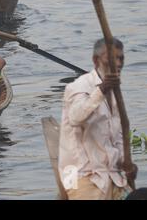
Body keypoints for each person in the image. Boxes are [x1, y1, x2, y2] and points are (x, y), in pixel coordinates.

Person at [58, 38, 138, 200]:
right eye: (112, 58)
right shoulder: (79, 86)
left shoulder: (115, 94)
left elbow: (117, 137)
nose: (118, 63)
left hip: (112, 176)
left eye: (121, 58)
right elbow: (75, 117)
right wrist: (101, 90)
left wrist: (125, 162)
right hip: (79, 176)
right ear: (96, 60)